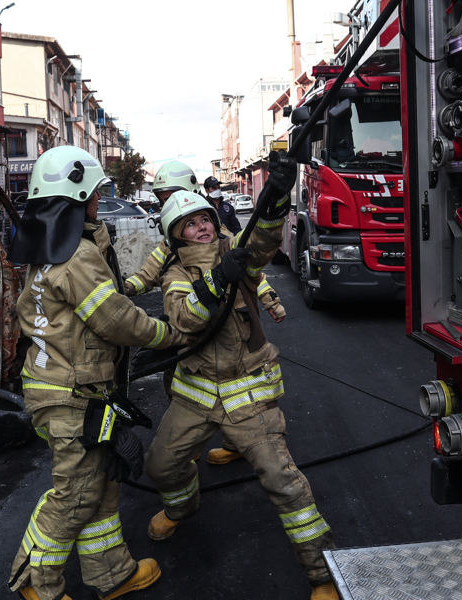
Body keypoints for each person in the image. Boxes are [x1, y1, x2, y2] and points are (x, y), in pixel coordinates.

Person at [144, 152, 340, 600]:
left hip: (247, 395)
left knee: (285, 484)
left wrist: (275, 200)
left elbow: (266, 243)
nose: (203, 226)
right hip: (194, 396)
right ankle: (182, 508)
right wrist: (216, 282)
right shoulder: (174, 274)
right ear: (177, 235)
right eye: (191, 223)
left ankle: (323, 573)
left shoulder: (238, 253)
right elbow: (183, 318)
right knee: (161, 465)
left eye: (206, 219)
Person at [5, 146, 192, 600]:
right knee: (74, 495)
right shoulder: (77, 257)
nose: (102, 199)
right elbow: (116, 321)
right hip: (71, 394)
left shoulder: (48, 251)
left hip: (66, 389)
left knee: (101, 483)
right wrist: (170, 335)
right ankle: (35, 584)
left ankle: (113, 575)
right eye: (97, 192)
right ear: (79, 194)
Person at [123, 161, 286, 466]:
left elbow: (250, 263)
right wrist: (124, 289)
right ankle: (188, 442)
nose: (167, 201)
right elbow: (149, 273)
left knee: (238, 400)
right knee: (181, 386)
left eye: (172, 193)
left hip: (232, 336)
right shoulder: (171, 243)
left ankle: (233, 441)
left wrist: (270, 300)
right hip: (191, 336)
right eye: (162, 197)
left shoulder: (212, 232)